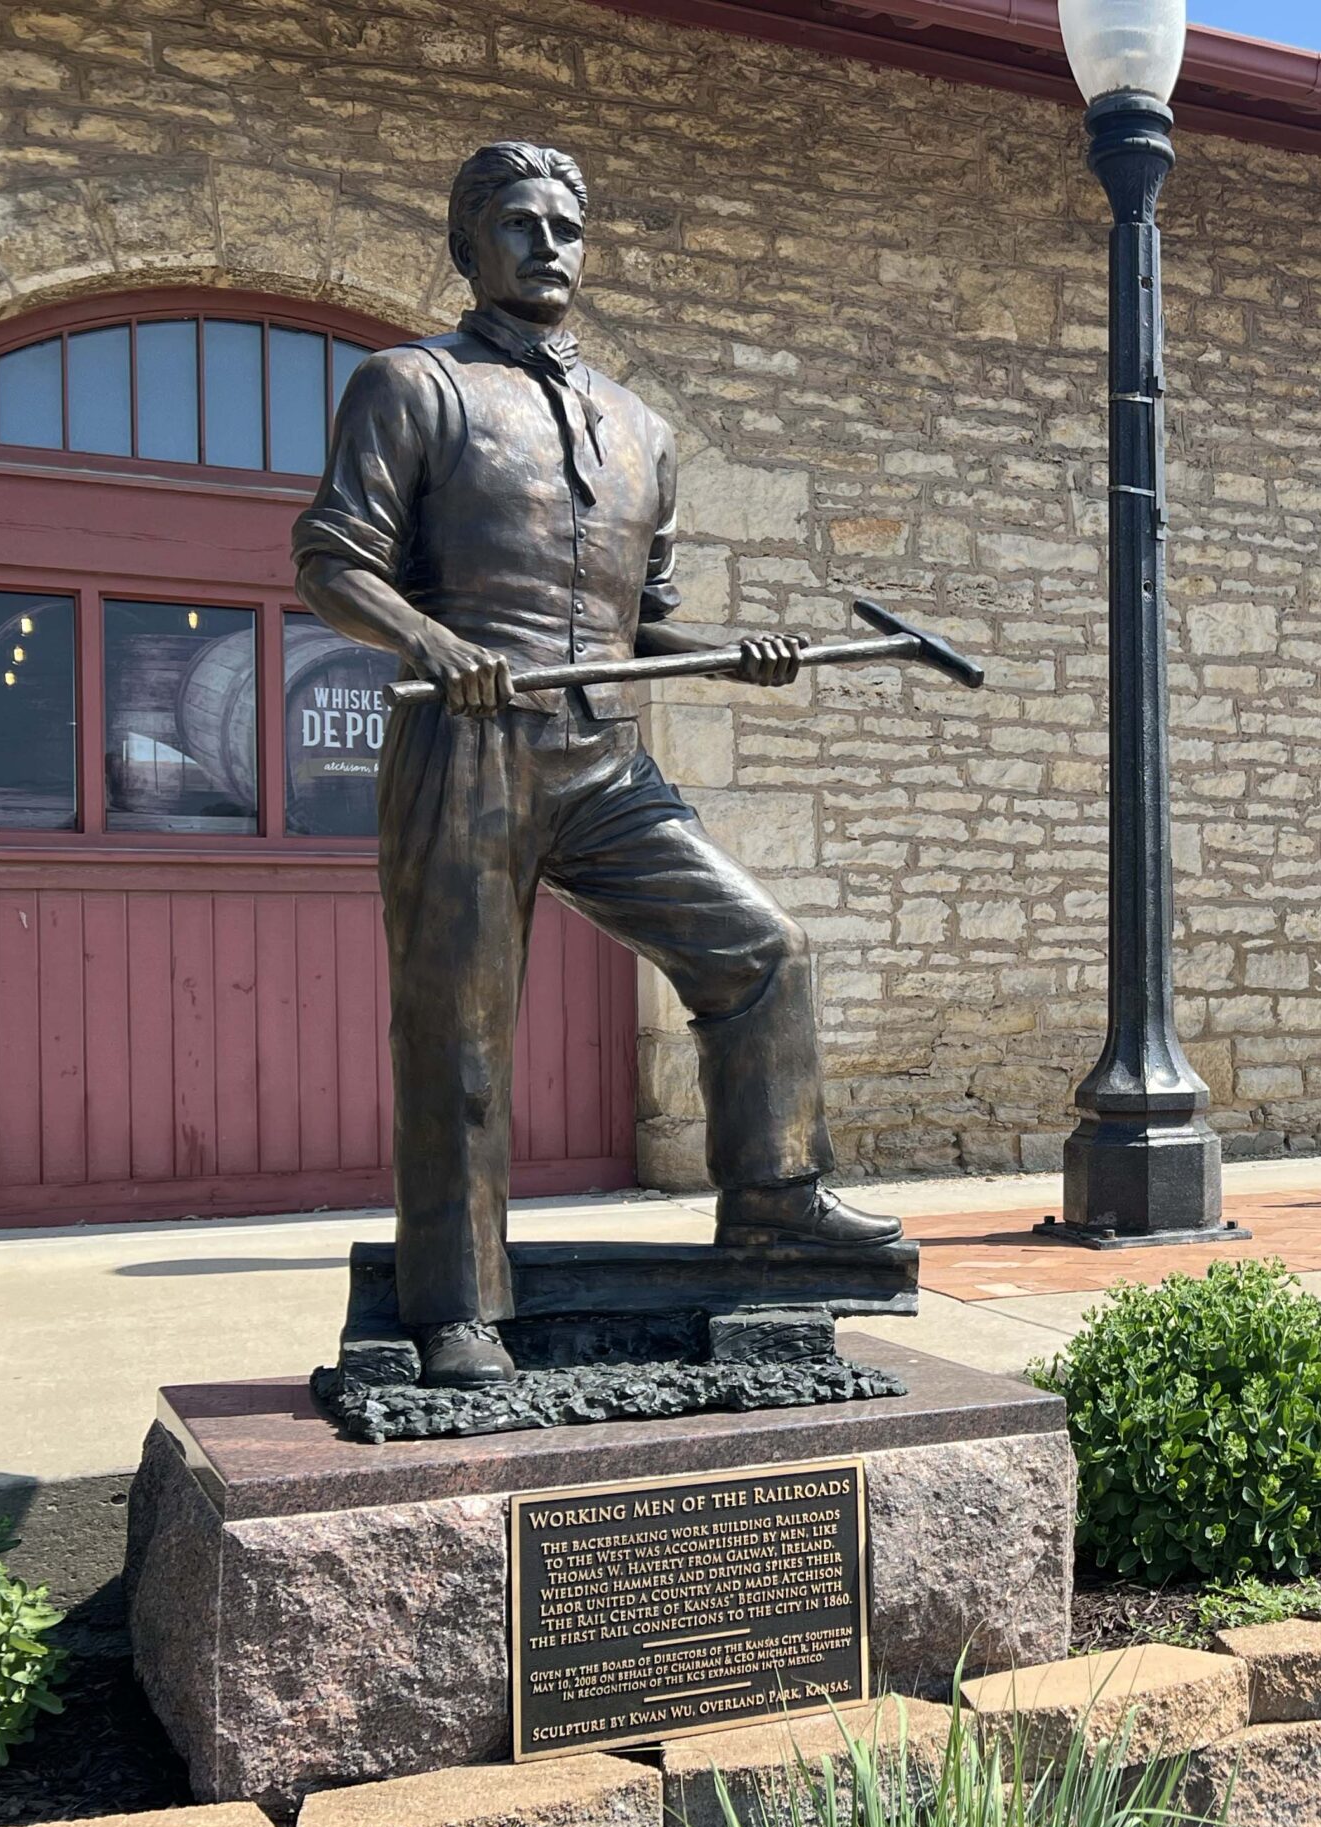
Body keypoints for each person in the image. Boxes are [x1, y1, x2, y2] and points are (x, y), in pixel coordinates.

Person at [294, 141, 897, 1389]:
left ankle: (774, 1198)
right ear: (468, 246)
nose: (548, 245)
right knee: (460, 1037)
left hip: (600, 762)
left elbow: (645, 622)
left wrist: (735, 652)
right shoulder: (410, 385)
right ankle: (457, 1305)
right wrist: (435, 641)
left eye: (566, 225)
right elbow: (332, 560)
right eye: (519, 224)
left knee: (759, 948)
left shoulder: (639, 428)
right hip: (464, 755)